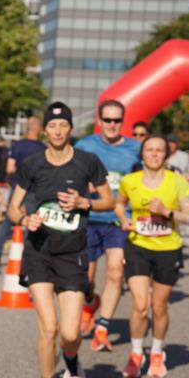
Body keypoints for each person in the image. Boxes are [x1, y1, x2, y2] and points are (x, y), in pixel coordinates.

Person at [7, 102, 112, 378]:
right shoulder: (33, 164)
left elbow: (110, 200)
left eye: (63, 125)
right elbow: (13, 209)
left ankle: (72, 360)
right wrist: (26, 221)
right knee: (48, 327)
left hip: (72, 254)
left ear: (69, 129)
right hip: (39, 253)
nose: (57, 131)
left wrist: (84, 201)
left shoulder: (87, 162)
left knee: (70, 333)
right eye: (52, 126)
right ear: (45, 130)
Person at [114, 135, 189, 378]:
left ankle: (157, 351)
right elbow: (119, 204)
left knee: (159, 307)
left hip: (168, 248)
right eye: (149, 150)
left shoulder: (177, 182)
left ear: (166, 154)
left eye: (159, 150)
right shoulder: (130, 181)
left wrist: (166, 212)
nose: (154, 154)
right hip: (138, 246)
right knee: (140, 305)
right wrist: (124, 220)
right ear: (142, 153)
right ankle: (137, 352)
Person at [75, 100, 141, 350]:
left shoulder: (135, 149)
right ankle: (90, 302)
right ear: (99, 121)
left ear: (123, 122)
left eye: (117, 121)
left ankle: (102, 327)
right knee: (85, 279)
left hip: (117, 220)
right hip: (89, 217)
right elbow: (71, 173)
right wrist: (83, 186)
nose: (112, 125)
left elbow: (144, 179)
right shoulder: (86, 145)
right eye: (107, 120)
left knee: (115, 272)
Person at [0, 115, 45, 264]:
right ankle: (27, 255)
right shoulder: (43, 148)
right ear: (39, 129)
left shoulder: (18, 145)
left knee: (9, 219)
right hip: (35, 189)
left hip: (18, 187)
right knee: (31, 221)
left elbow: (9, 168)